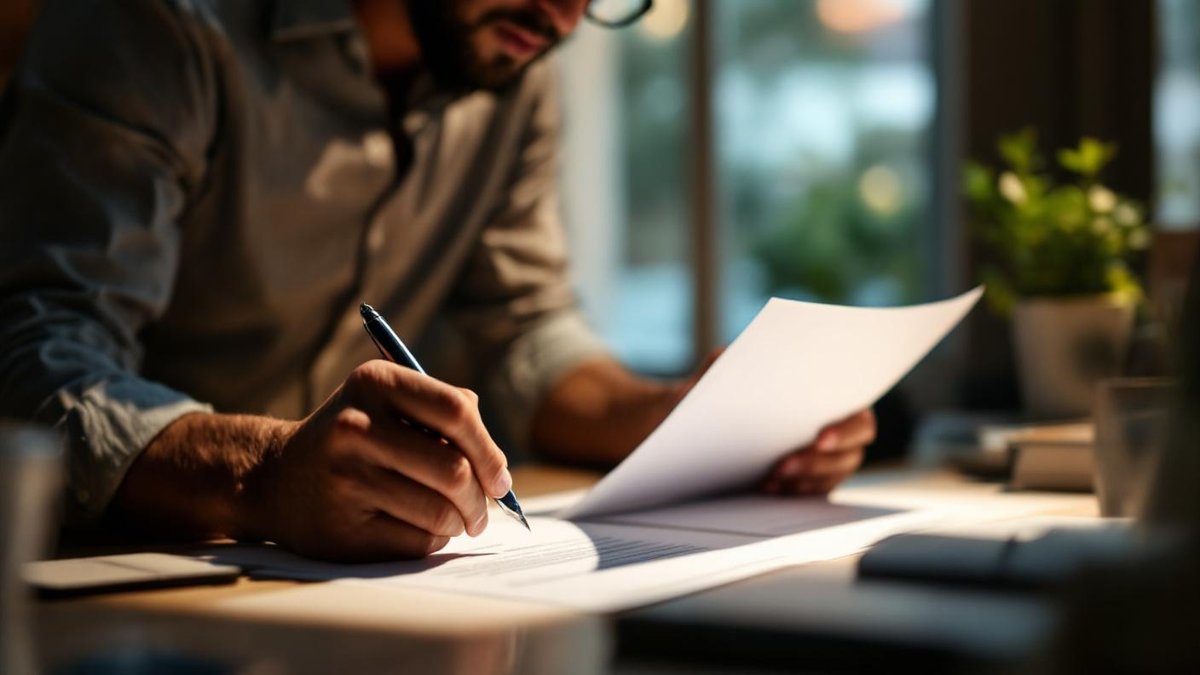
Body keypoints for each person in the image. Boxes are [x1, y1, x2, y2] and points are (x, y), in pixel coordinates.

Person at [0, 0, 875, 561]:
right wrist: (266, 475)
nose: (568, 17)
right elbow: (34, 360)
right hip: (110, 595)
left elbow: (525, 331)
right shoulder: (158, 23)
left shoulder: (512, 64)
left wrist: (684, 418)